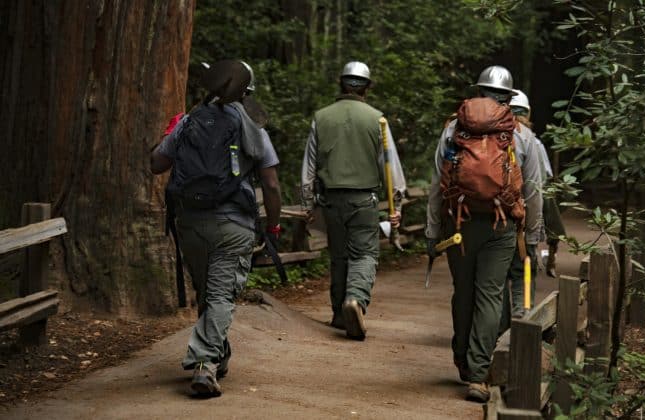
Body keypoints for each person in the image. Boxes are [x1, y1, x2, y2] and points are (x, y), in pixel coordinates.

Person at [150, 60, 281, 397]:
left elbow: (156, 163)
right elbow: (271, 183)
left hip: (190, 222)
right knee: (221, 294)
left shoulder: (190, 120)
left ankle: (218, 354)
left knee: (209, 293)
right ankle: (206, 364)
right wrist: (273, 224)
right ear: (247, 92)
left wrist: (172, 132)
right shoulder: (253, 126)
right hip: (233, 223)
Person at [425, 66, 543, 402]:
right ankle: (478, 374)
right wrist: (531, 237)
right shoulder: (522, 135)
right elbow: (534, 191)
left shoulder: (453, 129)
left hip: (458, 224)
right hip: (500, 225)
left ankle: (462, 359)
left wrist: (433, 230)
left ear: (478, 91)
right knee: (490, 294)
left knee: (463, 290)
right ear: (508, 96)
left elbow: (438, 184)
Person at [301, 61, 406, 341]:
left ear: (341, 83)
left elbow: (309, 167)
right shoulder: (377, 119)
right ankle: (355, 300)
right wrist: (397, 204)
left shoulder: (321, 117)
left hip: (331, 200)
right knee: (365, 254)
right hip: (364, 200)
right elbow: (390, 165)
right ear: (367, 87)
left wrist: (308, 204)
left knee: (339, 256)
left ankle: (338, 313)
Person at [500, 89, 554, 332]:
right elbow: (538, 187)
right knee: (523, 273)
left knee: (496, 280)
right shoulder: (531, 140)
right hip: (521, 221)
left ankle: (497, 330)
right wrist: (534, 231)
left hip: (493, 218)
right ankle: (521, 323)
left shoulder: (493, 136)